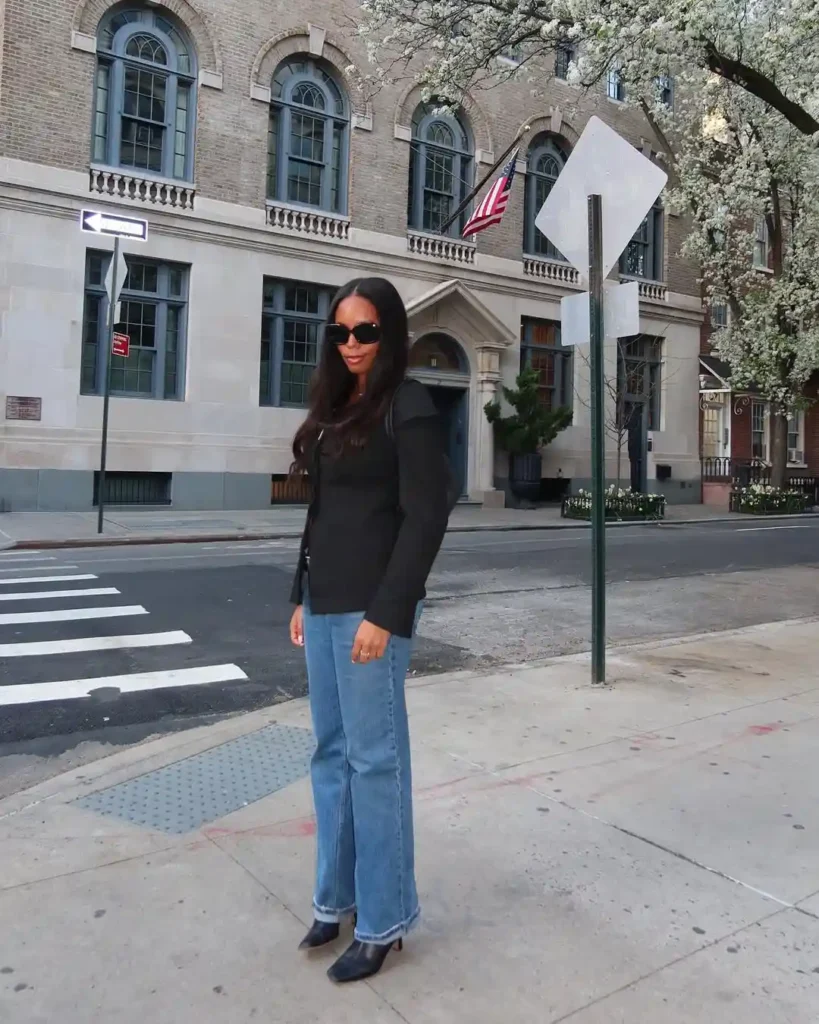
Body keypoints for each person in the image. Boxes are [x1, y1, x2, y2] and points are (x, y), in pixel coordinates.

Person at [288, 277, 450, 984]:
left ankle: (382, 921)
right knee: (330, 755)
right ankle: (337, 896)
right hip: (323, 603)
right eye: (340, 333)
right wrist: (299, 594)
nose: (350, 345)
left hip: (372, 610)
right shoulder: (333, 405)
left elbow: (427, 515)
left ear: (389, 336)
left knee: (373, 762)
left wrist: (388, 612)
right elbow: (319, 514)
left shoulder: (407, 407)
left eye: (365, 332)